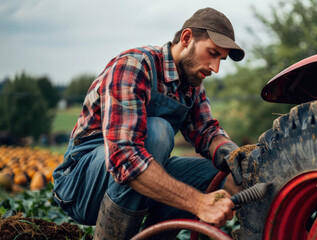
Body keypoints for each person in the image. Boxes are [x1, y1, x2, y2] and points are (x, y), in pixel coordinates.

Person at [52, 7, 245, 240]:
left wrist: (234, 155)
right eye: (212, 53)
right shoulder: (134, 66)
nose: (215, 68)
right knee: (157, 132)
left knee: (215, 175)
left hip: (138, 173)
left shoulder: (192, 85)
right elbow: (124, 155)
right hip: (82, 185)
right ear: (186, 39)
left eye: (221, 59)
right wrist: (197, 203)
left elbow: (206, 131)